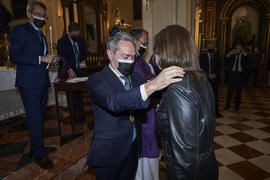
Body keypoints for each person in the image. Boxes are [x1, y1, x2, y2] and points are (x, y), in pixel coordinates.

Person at [86, 32, 184, 180]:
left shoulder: (135, 77)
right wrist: (153, 84)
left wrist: (174, 83)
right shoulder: (97, 80)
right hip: (109, 152)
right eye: (126, 57)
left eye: (133, 57)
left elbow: (152, 93)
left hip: (132, 147)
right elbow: (114, 102)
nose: (130, 62)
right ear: (110, 54)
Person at [155, 25, 218, 180]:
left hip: (191, 173)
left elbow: (185, 153)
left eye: (158, 50)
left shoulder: (179, 88)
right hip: (207, 164)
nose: (156, 54)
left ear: (169, 51)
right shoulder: (200, 77)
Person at [9, 0, 57, 169]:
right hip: (29, 83)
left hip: (41, 81)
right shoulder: (20, 30)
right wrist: (40, 59)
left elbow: (40, 59)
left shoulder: (41, 35)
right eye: (38, 15)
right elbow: (14, 55)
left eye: (44, 16)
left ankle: (38, 147)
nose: (41, 18)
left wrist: (50, 61)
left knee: (40, 117)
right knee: (35, 118)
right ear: (29, 14)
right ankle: (39, 154)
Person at [130, 28, 159, 180]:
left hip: (148, 109)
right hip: (139, 111)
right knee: (142, 145)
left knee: (150, 141)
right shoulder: (129, 61)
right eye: (144, 43)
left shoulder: (141, 60)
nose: (145, 47)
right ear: (134, 41)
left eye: (147, 44)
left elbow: (151, 76)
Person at [57, 22, 87, 122]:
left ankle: (81, 114)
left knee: (79, 93)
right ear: (69, 32)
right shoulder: (62, 42)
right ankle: (73, 115)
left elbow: (83, 53)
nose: (77, 36)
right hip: (67, 71)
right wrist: (69, 69)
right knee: (70, 95)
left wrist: (83, 60)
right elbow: (62, 58)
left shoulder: (80, 40)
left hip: (78, 70)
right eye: (74, 34)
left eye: (78, 34)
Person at [199, 42, 222, 117]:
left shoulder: (217, 56)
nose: (210, 48)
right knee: (205, 95)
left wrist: (214, 74)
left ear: (214, 48)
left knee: (215, 95)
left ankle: (216, 112)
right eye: (209, 47)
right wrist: (207, 75)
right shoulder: (202, 56)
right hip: (205, 79)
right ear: (207, 47)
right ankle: (205, 112)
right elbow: (200, 67)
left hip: (215, 79)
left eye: (212, 47)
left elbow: (219, 67)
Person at [224, 44, 248, 111]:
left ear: (241, 49)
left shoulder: (244, 56)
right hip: (232, 74)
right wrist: (229, 54)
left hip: (240, 75)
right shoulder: (232, 55)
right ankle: (227, 105)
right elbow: (224, 61)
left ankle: (237, 106)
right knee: (229, 91)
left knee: (238, 91)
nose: (238, 50)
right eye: (236, 48)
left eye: (239, 48)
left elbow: (250, 60)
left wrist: (245, 53)